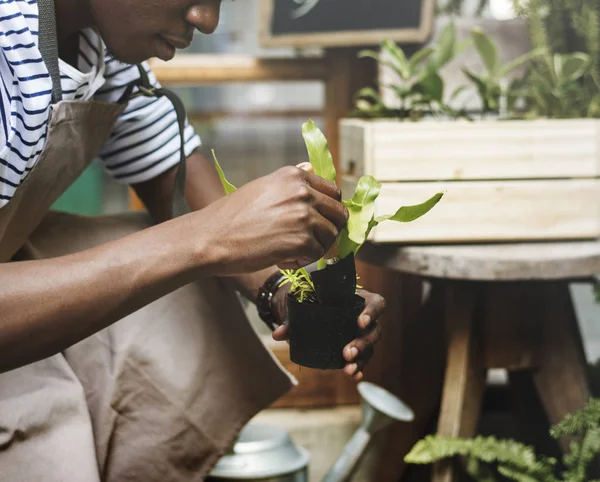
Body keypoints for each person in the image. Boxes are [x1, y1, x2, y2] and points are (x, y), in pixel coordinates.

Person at [0, 0, 385, 480]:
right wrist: (208, 238)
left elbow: (173, 177)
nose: (208, 20)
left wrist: (282, 292)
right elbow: (201, 230)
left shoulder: (107, 54)